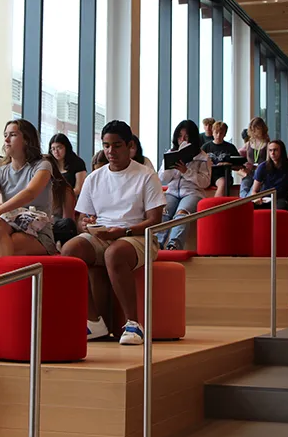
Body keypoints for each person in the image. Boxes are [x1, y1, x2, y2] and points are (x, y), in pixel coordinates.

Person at [62, 121, 166, 345]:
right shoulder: (94, 178)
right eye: (106, 146)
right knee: (70, 250)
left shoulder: (146, 176)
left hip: (138, 235)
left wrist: (124, 230)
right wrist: (85, 225)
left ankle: (134, 324)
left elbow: (155, 220)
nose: (110, 151)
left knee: (115, 253)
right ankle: (93, 321)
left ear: (130, 146)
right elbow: (81, 218)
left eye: (116, 145)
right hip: (103, 234)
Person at [0, 120, 56, 258]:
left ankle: (1, 279)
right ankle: (2, 279)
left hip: (39, 233)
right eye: (5, 135)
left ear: (26, 140)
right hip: (10, 224)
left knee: (7, 243)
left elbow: (30, 193)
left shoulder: (43, 166)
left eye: (13, 135)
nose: (6, 139)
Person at [157, 120, 211, 251]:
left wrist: (186, 172)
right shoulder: (170, 153)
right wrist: (171, 167)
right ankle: (156, 243)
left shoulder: (203, 157)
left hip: (193, 193)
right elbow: (161, 178)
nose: (183, 140)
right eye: (180, 136)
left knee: (182, 213)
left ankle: (174, 245)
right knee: (164, 212)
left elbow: (205, 182)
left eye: (186, 137)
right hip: (172, 191)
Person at [251, 140, 288, 211]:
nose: (272, 153)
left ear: (281, 151)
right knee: (248, 207)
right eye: (270, 150)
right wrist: (256, 198)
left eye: (275, 150)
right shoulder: (262, 167)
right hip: (265, 199)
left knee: (281, 207)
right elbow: (254, 191)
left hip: (281, 199)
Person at [42, 155, 78, 246]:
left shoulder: (64, 190)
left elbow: (68, 219)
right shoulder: (34, 188)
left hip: (56, 228)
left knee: (67, 224)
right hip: (38, 226)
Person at [201, 122, 240, 197]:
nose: (218, 135)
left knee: (222, 182)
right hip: (208, 175)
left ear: (225, 134)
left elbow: (238, 166)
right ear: (212, 132)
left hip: (224, 175)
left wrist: (228, 164)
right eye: (216, 132)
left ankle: (216, 206)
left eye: (221, 133)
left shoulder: (230, 147)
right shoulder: (205, 147)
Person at [240, 117, 269, 198]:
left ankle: (248, 202)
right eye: (252, 129)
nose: (254, 131)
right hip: (249, 173)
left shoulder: (267, 144)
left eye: (256, 128)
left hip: (260, 174)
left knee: (253, 191)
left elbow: (268, 162)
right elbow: (240, 159)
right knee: (244, 189)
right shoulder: (248, 144)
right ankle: (246, 202)